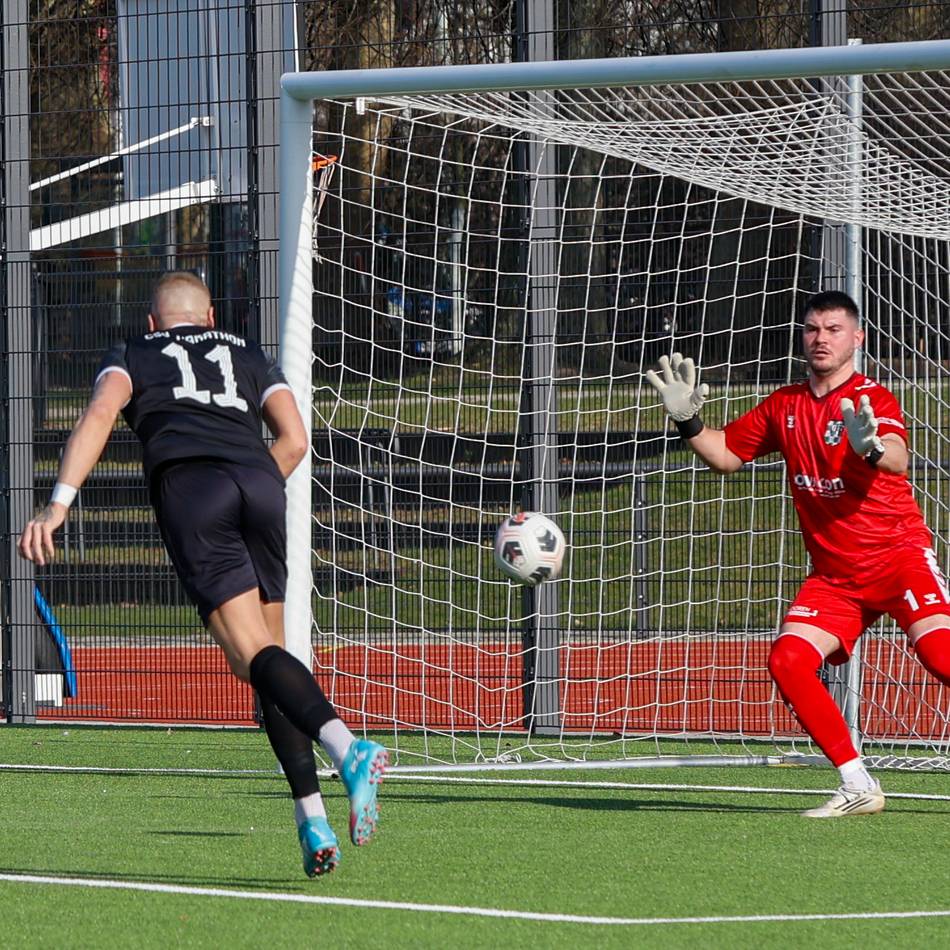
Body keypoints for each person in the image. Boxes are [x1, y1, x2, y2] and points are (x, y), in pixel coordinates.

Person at [18, 271, 387, 874]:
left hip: (195, 488)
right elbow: (294, 439)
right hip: (263, 486)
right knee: (272, 660)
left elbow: (101, 414)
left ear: (152, 323)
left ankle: (347, 746)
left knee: (250, 658)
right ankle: (311, 819)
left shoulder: (133, 353)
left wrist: (58, 504)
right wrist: (253, 481)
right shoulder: (246, 351)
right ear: (211, 317)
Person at [646, 290, 950, 817]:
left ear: (857, 338)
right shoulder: (783, 405)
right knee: (788, 661)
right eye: (812, 329)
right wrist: (688, 421)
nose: (821, 338)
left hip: (897, 556)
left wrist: (871, 446)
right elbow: (725, 455)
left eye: (833, 329)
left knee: (940, 657)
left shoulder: (871, 399)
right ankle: (858, 783)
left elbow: (899, 460)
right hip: (836, 576)